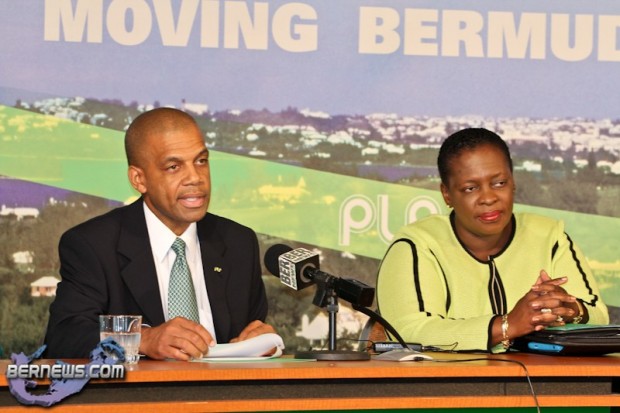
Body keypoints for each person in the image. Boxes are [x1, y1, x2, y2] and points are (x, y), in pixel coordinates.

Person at [44, 107, 275, 360]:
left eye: (201, 161)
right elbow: (65, 335)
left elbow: (249, 335)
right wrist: (143, 339)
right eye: (174, 166)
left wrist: (261, 341)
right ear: (139, 179)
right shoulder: (94, 245)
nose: (195, 178)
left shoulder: (238, 242)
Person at [376, 127, 609, 352]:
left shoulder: (550, 237)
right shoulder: (417, 246)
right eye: (470, 188)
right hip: (444, 379)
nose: (488, 198)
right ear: (447, 194)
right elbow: (408, 330)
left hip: (539, 378)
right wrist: (507, 326)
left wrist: (568, 308)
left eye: (499, 183)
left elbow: (598, 314)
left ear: (513, 182)